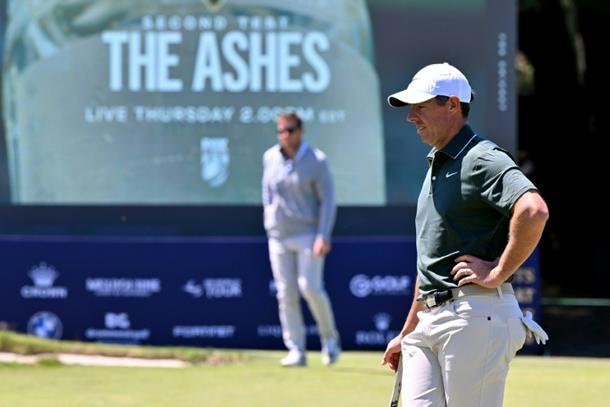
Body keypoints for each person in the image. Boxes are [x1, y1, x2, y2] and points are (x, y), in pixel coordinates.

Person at [381, 63, 549, 406]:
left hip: (474, 314)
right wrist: (407, 332)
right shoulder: (438, 162)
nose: (411, 117)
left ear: (453, 105)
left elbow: (534, 210)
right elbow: (431, 262)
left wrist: (498, 270)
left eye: (420, 106)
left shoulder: (480, 157)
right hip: (431, 320)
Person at [262, 112, 341, 367]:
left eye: (291, 130)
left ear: (301, 130)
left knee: (310, 288)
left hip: (308, 234)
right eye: (281, 131)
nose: (286, 135)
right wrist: (269, 221)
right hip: (278, 236)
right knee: (285, 293)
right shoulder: (270, 157)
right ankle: (296, 349)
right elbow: (267, 194)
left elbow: (328, 200)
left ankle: (330, 340)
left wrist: (323, 235)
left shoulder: (317, 160)